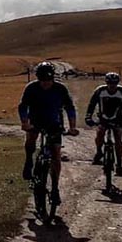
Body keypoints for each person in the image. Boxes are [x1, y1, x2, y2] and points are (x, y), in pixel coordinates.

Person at [18, 62, 79, 204]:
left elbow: (69, 107)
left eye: (48, 80)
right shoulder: (31, 88)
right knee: (31, 140)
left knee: (56, 154)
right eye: (42, 80)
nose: (45, 83)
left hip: (54, 123)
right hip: (35, 120)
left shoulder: (60, 89)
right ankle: (28, 161)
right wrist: (25, 122)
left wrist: (72, 127)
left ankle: (55, 188)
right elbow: (23, 106)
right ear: (38, 78)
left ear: (53, 78)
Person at [85, 72, 122, 176]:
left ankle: (119, 164)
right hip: (103, 117)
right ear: (106, 82)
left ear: (118, 83)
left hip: (118, 118)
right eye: (109, 83)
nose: (112, 85)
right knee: (100, 133)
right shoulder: (100, 90)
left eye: (114, 83)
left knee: (118, 138)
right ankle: (99, 151)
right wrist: (88, 116)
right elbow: (92, 104)